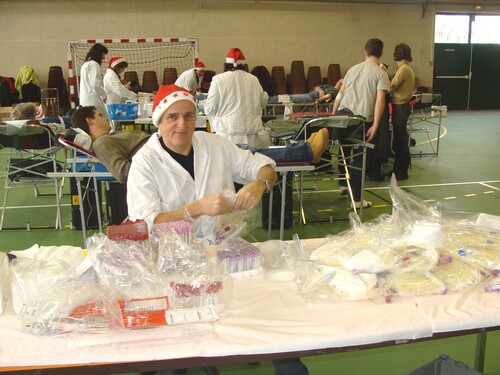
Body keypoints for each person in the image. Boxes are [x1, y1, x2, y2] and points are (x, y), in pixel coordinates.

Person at [127, 84, 309, 375]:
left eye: (188, 116)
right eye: (172, 117)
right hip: (173, 262)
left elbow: (264, 166)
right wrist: (194, 210)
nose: (182, 124)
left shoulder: (214, 144)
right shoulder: (145, 162)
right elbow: (144, 226)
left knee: (273, 316)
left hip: (225, 250)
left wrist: (259, 183)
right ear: (159, 121)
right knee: (178, 351)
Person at [332, 38, 391, 209]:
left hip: (342, 116)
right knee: (358, 160)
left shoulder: (352, 69)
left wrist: (334, 113)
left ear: (365, 52)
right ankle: (357, 200)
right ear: (380, 53)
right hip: (360, 120)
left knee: (343, 152)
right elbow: (380, 100)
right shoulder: (381, 74)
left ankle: (343, 184)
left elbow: (340, 95)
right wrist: (376, 125)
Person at [204, 48, 269, 148]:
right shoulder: (253, 79)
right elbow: (263, 102)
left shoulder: (218, 80)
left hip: (227, 134)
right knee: (250, 161)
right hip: (251, 134)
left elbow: (210, 108)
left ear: (226, 64)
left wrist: (214, 125)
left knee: (229, 162)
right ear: (243, 65)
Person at [69, 105, 149, 183]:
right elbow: (123, 173)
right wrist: (156, 166)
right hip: (157, 153)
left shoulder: (108, 138)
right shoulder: (100, 144)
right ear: (90, 121)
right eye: (100, 116)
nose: (106, 118)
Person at [382, 43, 416, 181]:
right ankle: (398, 169)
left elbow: (391, 85)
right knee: (399, 138)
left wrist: (383, 71)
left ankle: (401, 170)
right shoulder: (405, 68)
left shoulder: (403, 69)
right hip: (402, 106)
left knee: (400, 140)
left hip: (401, 106)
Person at [79, 43, 108, 117]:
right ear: (99, 53)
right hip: (94, 101)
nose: (104, 57)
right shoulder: (94, 64)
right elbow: (96, 84)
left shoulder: (85, 64)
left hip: (85, 100)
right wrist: (104, 95)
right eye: (104, 54)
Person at [268, 80, 343, 104]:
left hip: (311, 97)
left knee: (289, 98)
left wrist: (319, 100)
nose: (338, 82)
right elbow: (316, 87)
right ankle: (269, 99)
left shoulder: (335, 91)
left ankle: (268, 100)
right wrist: (320, 90)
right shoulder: (329, 86)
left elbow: (329, 96)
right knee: (288, 97)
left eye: (340, 83)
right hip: (310, 94)